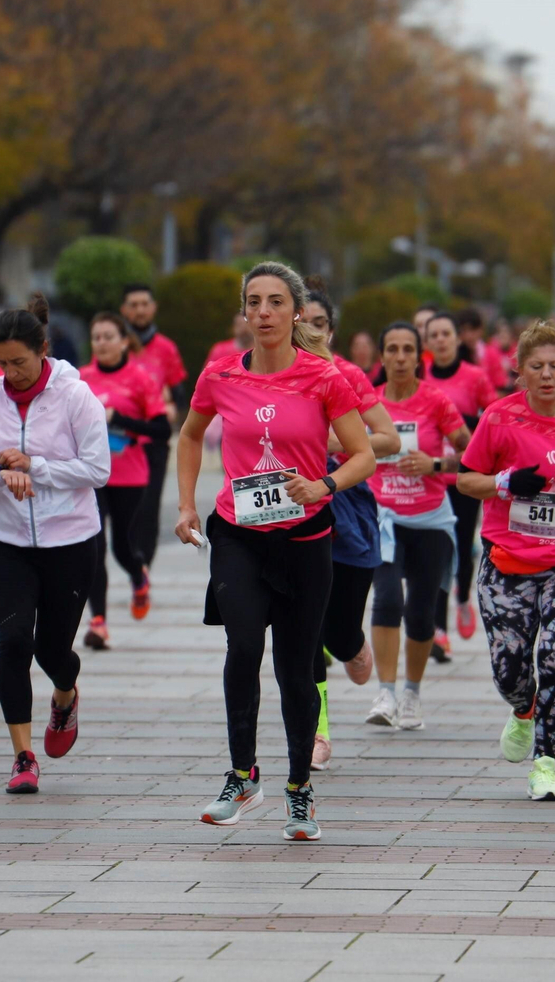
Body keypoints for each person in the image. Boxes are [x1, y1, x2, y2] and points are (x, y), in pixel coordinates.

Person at [174, 263, 374, 840]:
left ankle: (299, 792)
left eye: (275, 302)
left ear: (294, 312)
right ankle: (242, 777)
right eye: (254, 302)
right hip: (238, 533)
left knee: (294, 668)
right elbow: (190, 434)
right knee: (241, 647)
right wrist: (187, 506)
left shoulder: (324, 377)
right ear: (243, 313)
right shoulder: (218, 376)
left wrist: (325, 485)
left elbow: (362, 454)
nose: (263, 312)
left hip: (305, 539)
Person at [0, 294, 111, 794]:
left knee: (53, 650)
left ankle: (65, 697)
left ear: (43, 349)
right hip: (9, 542)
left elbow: (98, 470)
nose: (10, 372)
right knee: (15, 642)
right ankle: (22, 757)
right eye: (1, 362)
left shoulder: (75, 397)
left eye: (19, 361)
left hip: (72, 542)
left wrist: (34, 468)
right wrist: (1, 475)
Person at [458, 320, 555, 801]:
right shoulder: (499, 417)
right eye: (536, 367)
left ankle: (545, 763)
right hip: (507, 558)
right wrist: (505, 484)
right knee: (509, 668)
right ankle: (522, 708)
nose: (547, 375)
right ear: (519, 371)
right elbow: (467, 480)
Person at [300, 287, 398, 770]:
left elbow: (388, 437)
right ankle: (317, 733)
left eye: (318, 322)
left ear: (331, 330)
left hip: (347, 510)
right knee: (305, 629)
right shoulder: (271, 376)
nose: (309, 330)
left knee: (337, 632)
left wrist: (334, 444)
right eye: (303, 320)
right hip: (290, 514)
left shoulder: (348, 375)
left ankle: (354, 645)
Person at [364, 322, 471, 731]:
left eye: (409, 349)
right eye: (392, 349)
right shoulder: (369, 404)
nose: (401, 357)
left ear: (418, 355)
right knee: (388, 599)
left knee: (421, 612)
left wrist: (435, 465)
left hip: (429, 518)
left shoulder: (436, 402)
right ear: (383, 357)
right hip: (384, 517)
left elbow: (474, 451)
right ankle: (386, 693)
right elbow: (351, 447)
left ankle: (411, 692)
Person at [78, 312, 169, 649]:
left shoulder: (140, 379)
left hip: (130, 474)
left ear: (123, 341)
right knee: (94, 546)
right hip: (90, 475)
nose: (101, 343)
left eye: (108, 336)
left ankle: (137, 574)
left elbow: (160, 429)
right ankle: (98, 621)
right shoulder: (80, 379)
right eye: (96, 337)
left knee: (122, 547)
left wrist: (122, 420)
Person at [424, 311, 497, 655]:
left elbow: (494, 417)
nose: (440, 339)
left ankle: (464, 595)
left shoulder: (475, 377)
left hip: (465, 478)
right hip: (431, 477)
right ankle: (438, 627)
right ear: (427, 342)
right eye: (434, 334)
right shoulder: (418, 377)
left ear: (456, 339)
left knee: (463, 546)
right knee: (439, 550)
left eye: (445, 334)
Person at [119, 283, 186, 578]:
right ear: (124, 310)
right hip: (119, 443)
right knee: (124, 512)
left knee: (148, 510)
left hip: (154, 442)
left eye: (144, 303)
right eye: (133, 304)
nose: (139, 310)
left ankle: (142, 568)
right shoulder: (117, 345)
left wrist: (172, 408)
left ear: (153, 307)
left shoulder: (166, 348)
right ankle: (130, 561)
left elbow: (180, 393)